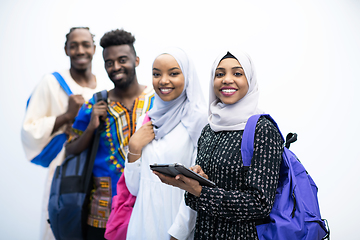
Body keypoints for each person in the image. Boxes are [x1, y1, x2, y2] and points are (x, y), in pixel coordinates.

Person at [154, 50, 284, 240]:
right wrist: (197, 179)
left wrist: (200, 191)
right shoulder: (210, 129)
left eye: (237, 73)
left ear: (250, 79)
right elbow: (198, 199)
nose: (227, 79)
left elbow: (260, 204)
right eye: (220, 74)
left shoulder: (262, 130)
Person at [65, 29, 155, 239]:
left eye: (122, 60)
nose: (115, 67)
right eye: (109, 62)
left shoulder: (156, 101)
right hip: (103, 212)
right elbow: (70, 149)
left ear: (137, 60)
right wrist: (91, 127)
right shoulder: (95, 104)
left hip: (148, 207)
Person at [21, 27, 101, 240]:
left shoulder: (103, 88)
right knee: (61, 223)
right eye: (73, 46)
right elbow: (30, 129)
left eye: (85, 45)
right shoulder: (51, 83)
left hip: (96, 165)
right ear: (66, 50)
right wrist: (66, 116)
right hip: (65, 167)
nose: (80, 50)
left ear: (94, 48)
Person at [122, 48, 207, 240]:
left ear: (188, 76)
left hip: (176, 227)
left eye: (174, 73)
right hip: (141, 225)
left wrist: (178, 233)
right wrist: (134, 148)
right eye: (156, 74)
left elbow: (196, 188)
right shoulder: (147, 119)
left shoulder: (198, 121)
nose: (163, 80)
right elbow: (135, 188)